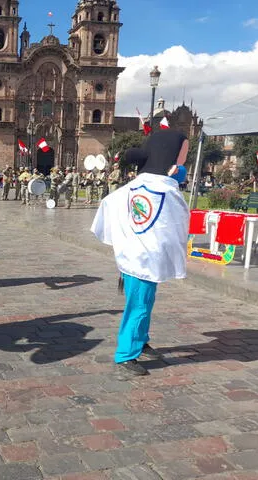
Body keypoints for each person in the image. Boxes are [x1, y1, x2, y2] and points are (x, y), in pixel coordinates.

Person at [91, 129, 190, 378]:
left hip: (137, 256)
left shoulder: (134, 187)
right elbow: (178, 221)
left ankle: (141, 340)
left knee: (145, 302)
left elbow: (108, 205)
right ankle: (126, 354)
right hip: (143, 257)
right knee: (139, 306)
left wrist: (121, 240)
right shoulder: (163, 191)